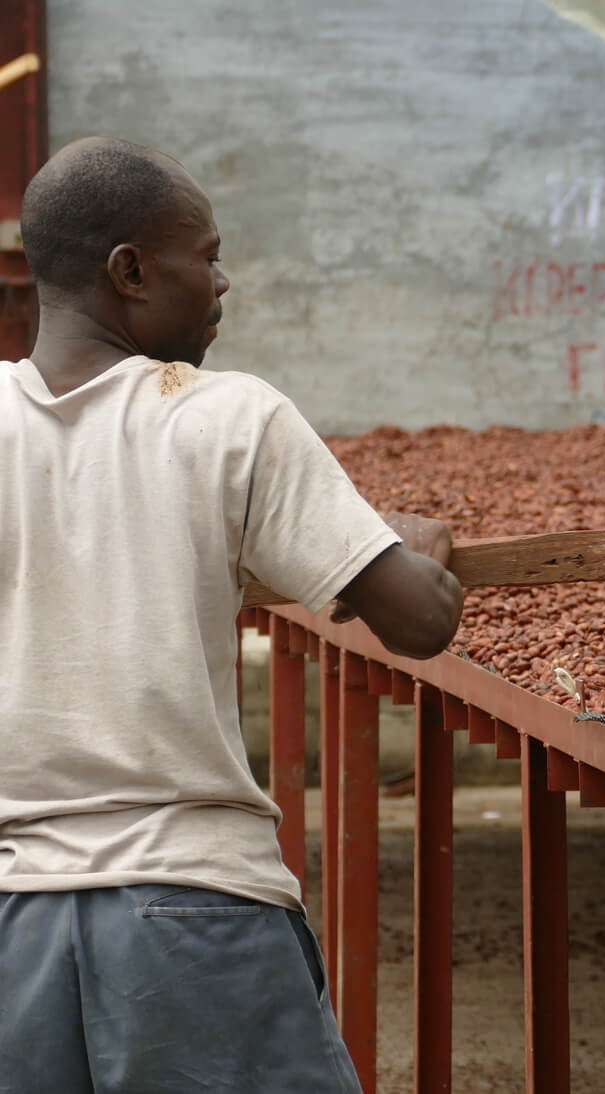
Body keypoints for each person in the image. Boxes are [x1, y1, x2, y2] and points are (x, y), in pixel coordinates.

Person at [0, 136, 464, 1092]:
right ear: (130, 270)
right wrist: (416, 550)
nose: (223, 283)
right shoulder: (226, 417)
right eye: (205, 256)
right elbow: (417, 621)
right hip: (193, 909)